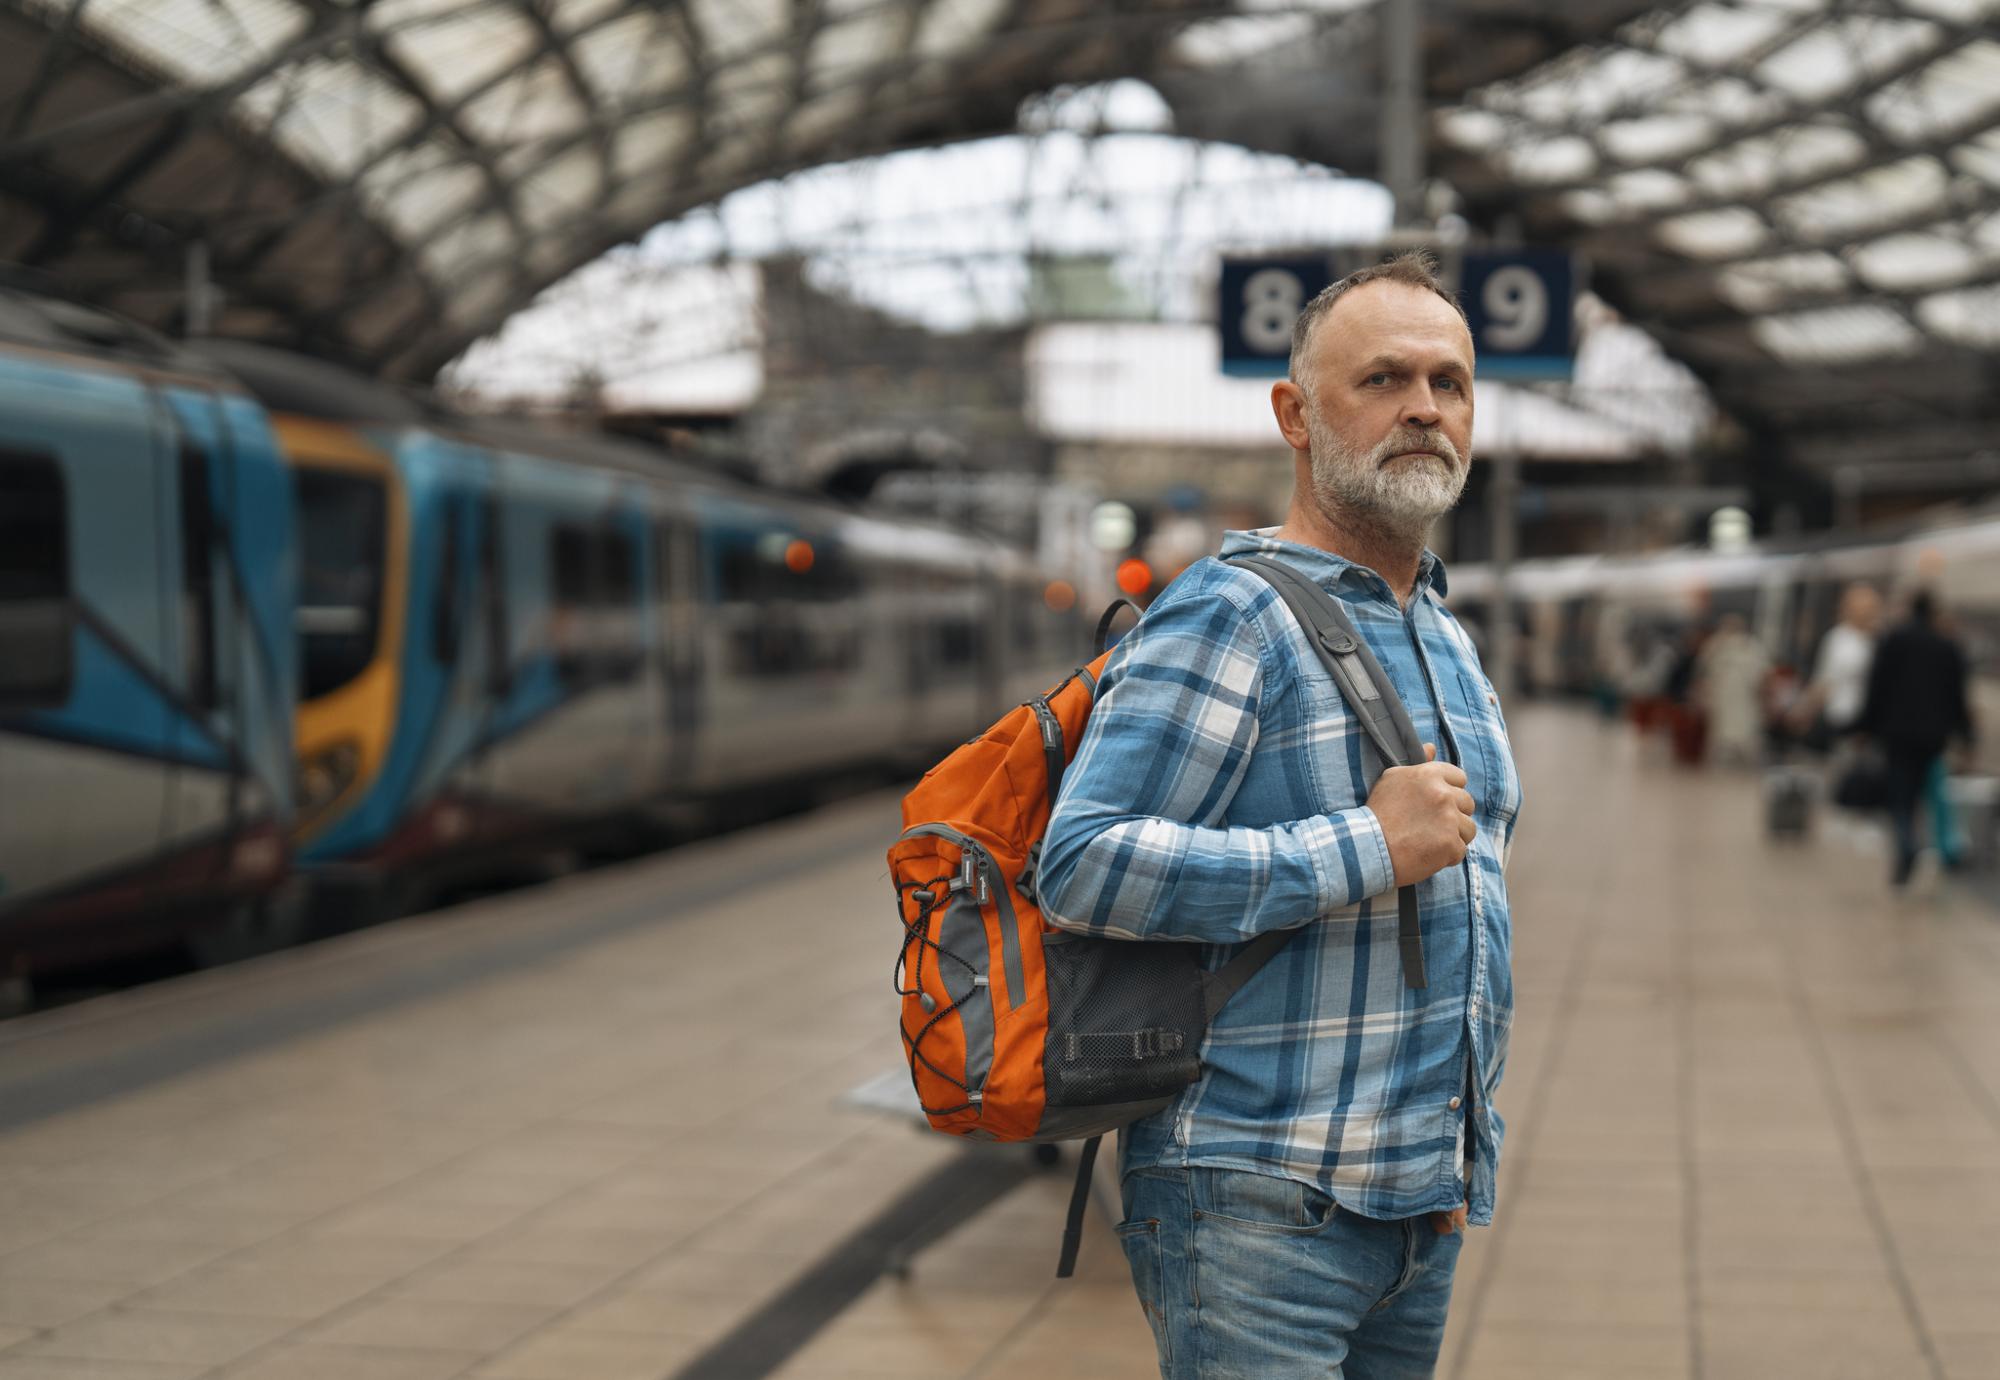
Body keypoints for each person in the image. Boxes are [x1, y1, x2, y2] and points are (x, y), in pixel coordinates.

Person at [1039, 253, 1519, 1380]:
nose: (1422, 409)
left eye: (1448, 384)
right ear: (1294, 415)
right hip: (1256, 1198)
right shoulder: (1228, 614)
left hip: (1414, 1205)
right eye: (1383, 380)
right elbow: (1082, 862)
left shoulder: (1441, 631)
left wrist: (1447, 1159)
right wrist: (1363, 845)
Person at [1858, 588, 1972, 886]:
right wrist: (1966, 735)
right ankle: (1930, 844)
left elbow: (1877, 687)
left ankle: (1907, 843)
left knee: (1901, 795)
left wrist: (1866, 727)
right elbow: (1958, 696)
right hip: (1934, 736)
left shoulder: (1894, 640)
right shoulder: (1948, 646)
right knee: (1928, 792)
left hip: (1897, 734)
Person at [1801, 583, 1881, 749]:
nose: (1865, 612)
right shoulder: (1837, 639)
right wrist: (1806, 711)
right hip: (1839, 718)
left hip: (1869, 723)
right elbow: (1824, 679)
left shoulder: (1878, 641)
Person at [1696, 614, 1767, 766]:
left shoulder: (1750, 647)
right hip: (1725, 697)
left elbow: (1760, 675)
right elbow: (1705, 669)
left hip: (1740, 697)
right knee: (1727, 731)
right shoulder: (1718, 645)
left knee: (1740, 730)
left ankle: (1739, 758)